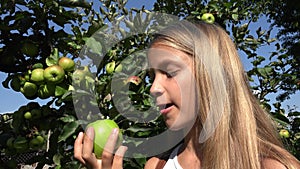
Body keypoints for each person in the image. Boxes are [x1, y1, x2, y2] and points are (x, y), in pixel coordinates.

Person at [74, 21, 300, 169]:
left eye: (169, 72)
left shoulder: (272, 166)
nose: (153, 89)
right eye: (152, 75)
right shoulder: (155, 165)